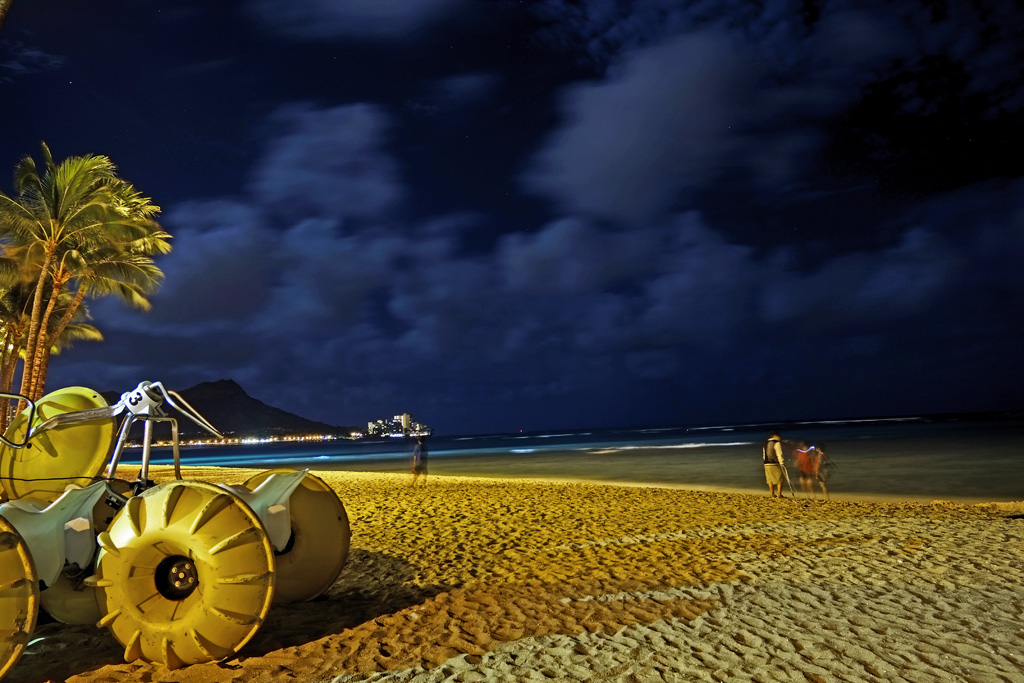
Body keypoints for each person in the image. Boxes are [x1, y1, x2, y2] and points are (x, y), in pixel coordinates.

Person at [762, 430, 786, 498]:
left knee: (770, 480)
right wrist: (782, 463)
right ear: (775, 436)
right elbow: (779, 454)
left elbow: (764, 455)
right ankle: (779, 494)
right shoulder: (776, 443)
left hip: (766, 463)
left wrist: (765, 461)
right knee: (779, 479)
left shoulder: (765, 443)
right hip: (774, 463)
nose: (780, 437)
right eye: (778, 436)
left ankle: (772, 494)